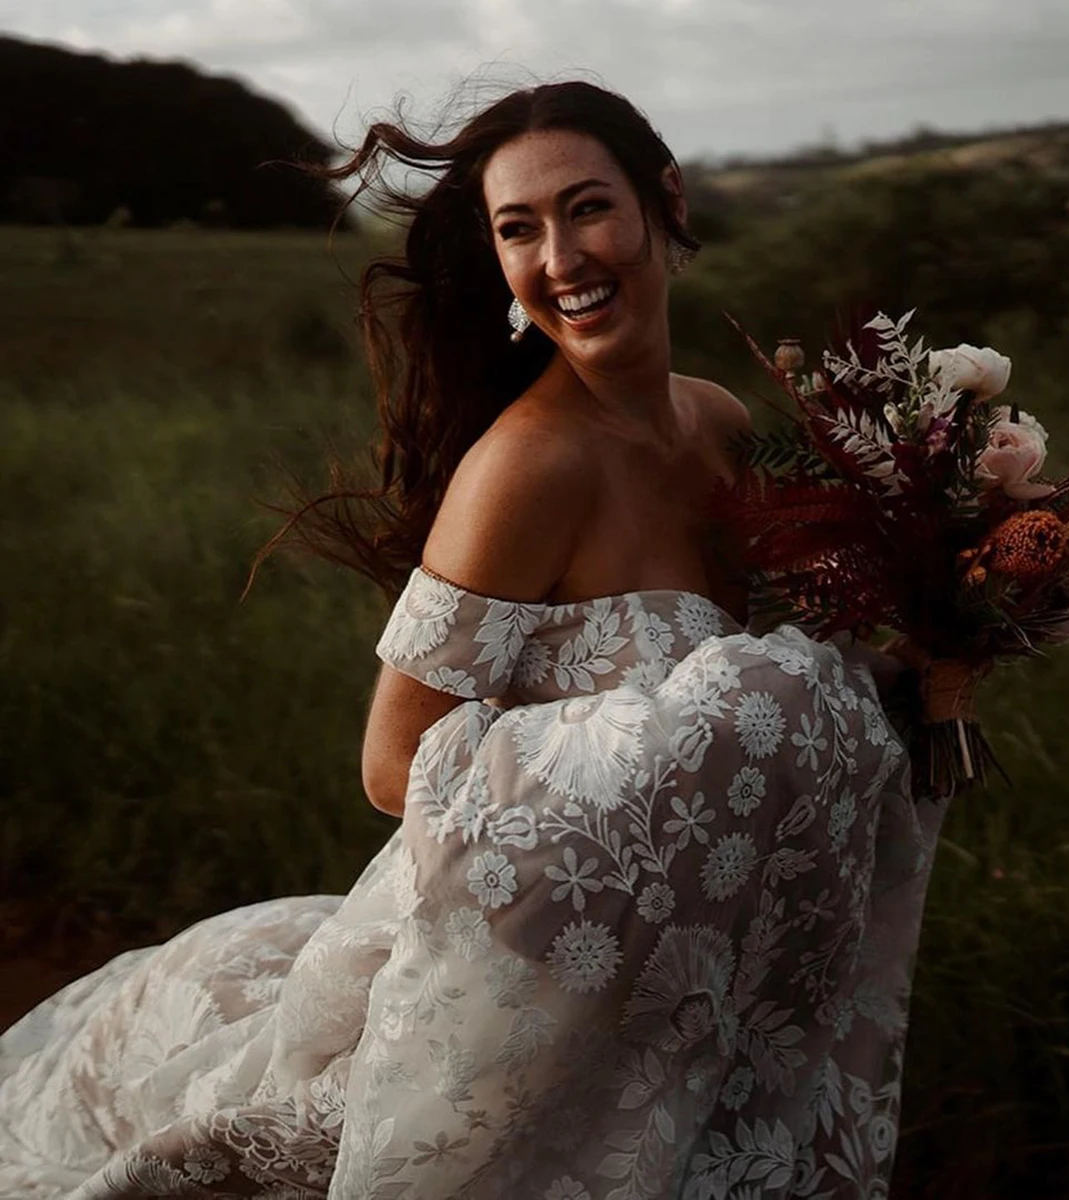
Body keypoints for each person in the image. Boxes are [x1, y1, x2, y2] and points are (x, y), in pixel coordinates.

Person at [0, 81, 941, 1199]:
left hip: (688, 971)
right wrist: (654, 747)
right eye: (517, 229)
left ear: (664, 203)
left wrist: (959, 617)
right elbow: (393, 765)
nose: (560, 257)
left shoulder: (722, 424)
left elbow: (791, 693)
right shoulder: (528, 466)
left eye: (588, 208)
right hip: (518, 973)